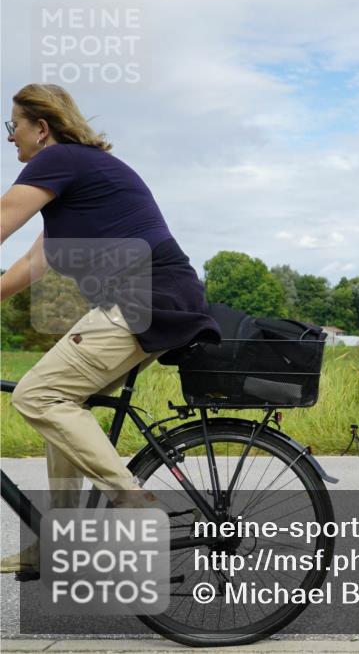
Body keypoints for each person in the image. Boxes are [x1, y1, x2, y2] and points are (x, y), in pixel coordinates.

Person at [0, 84, 221, 574]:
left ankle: (136, 503)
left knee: (37, 396)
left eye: (12, 126)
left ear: (41, 128)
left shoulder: (60, 161)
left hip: (144, 299)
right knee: (59, 405)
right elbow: (32, 264)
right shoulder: (73, 180)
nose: (10, 137)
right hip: (152, 299)